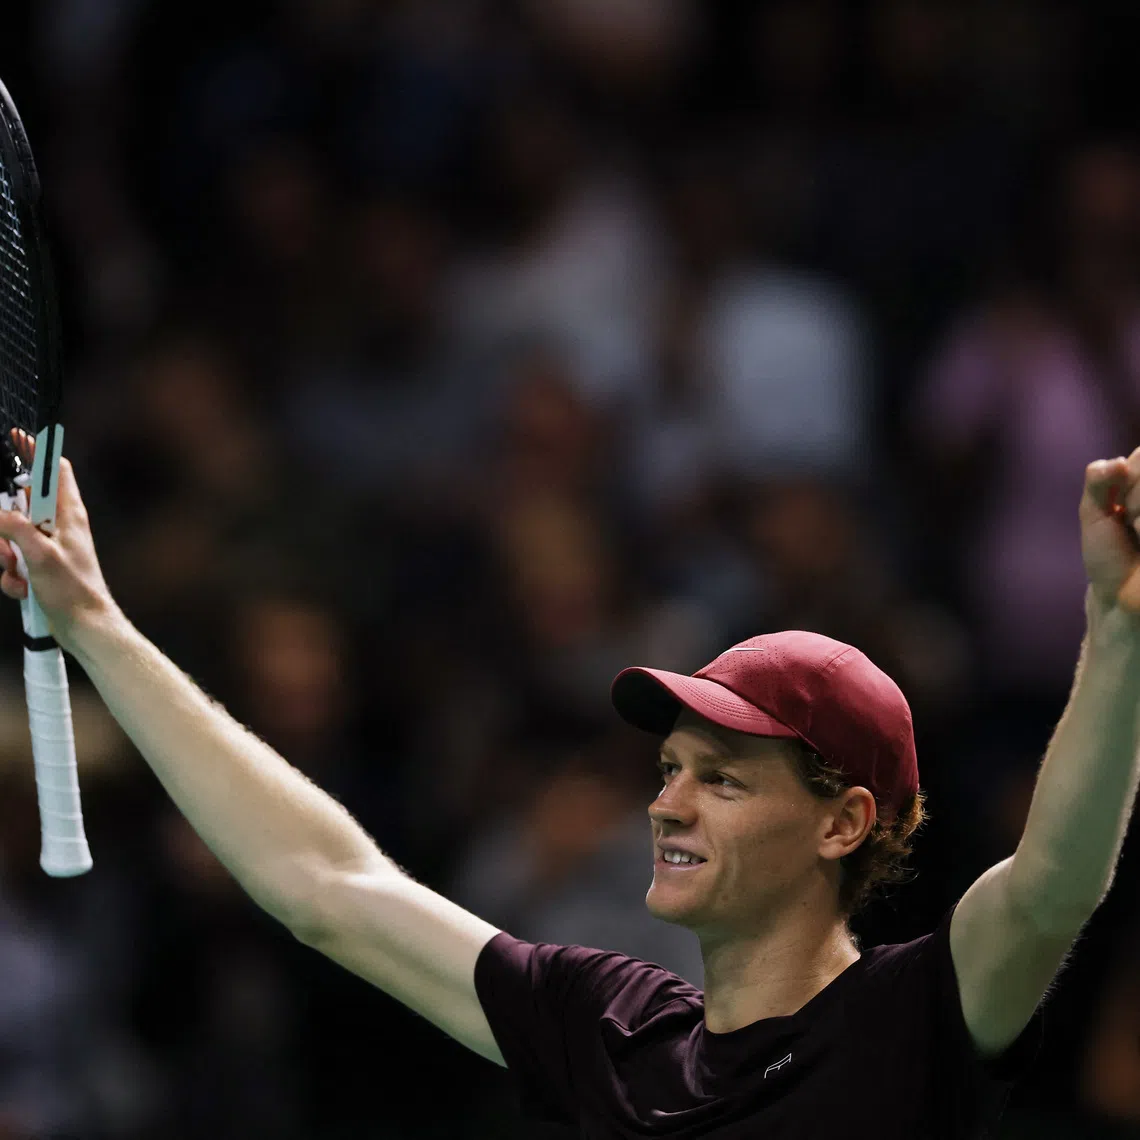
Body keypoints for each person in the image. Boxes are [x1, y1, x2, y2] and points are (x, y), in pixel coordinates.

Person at [2, 444, 1140, 1139]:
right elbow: (326, 885)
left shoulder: (911, 1023)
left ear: (843, 822)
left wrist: (1117, 626)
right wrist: (101, 628)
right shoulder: (613, 1033)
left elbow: (1051, 884)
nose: (668, 805)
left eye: (724, 780)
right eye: (669, 771)